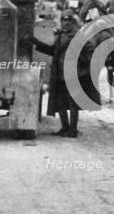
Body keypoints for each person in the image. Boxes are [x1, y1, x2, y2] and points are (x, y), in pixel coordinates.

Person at [33, 9, 101, 137]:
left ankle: (73, 130)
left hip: (73, 75)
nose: (66, 23)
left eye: (69, 21)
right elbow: (53, 51)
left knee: (72, 103)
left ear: (73, 22)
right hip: (59, 73)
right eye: (64, 20)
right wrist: (37, 43)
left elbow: (92, 53)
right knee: (60, 102)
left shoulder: (79, 36)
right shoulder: (60, 35)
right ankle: (65, 127)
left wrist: (82, 64)